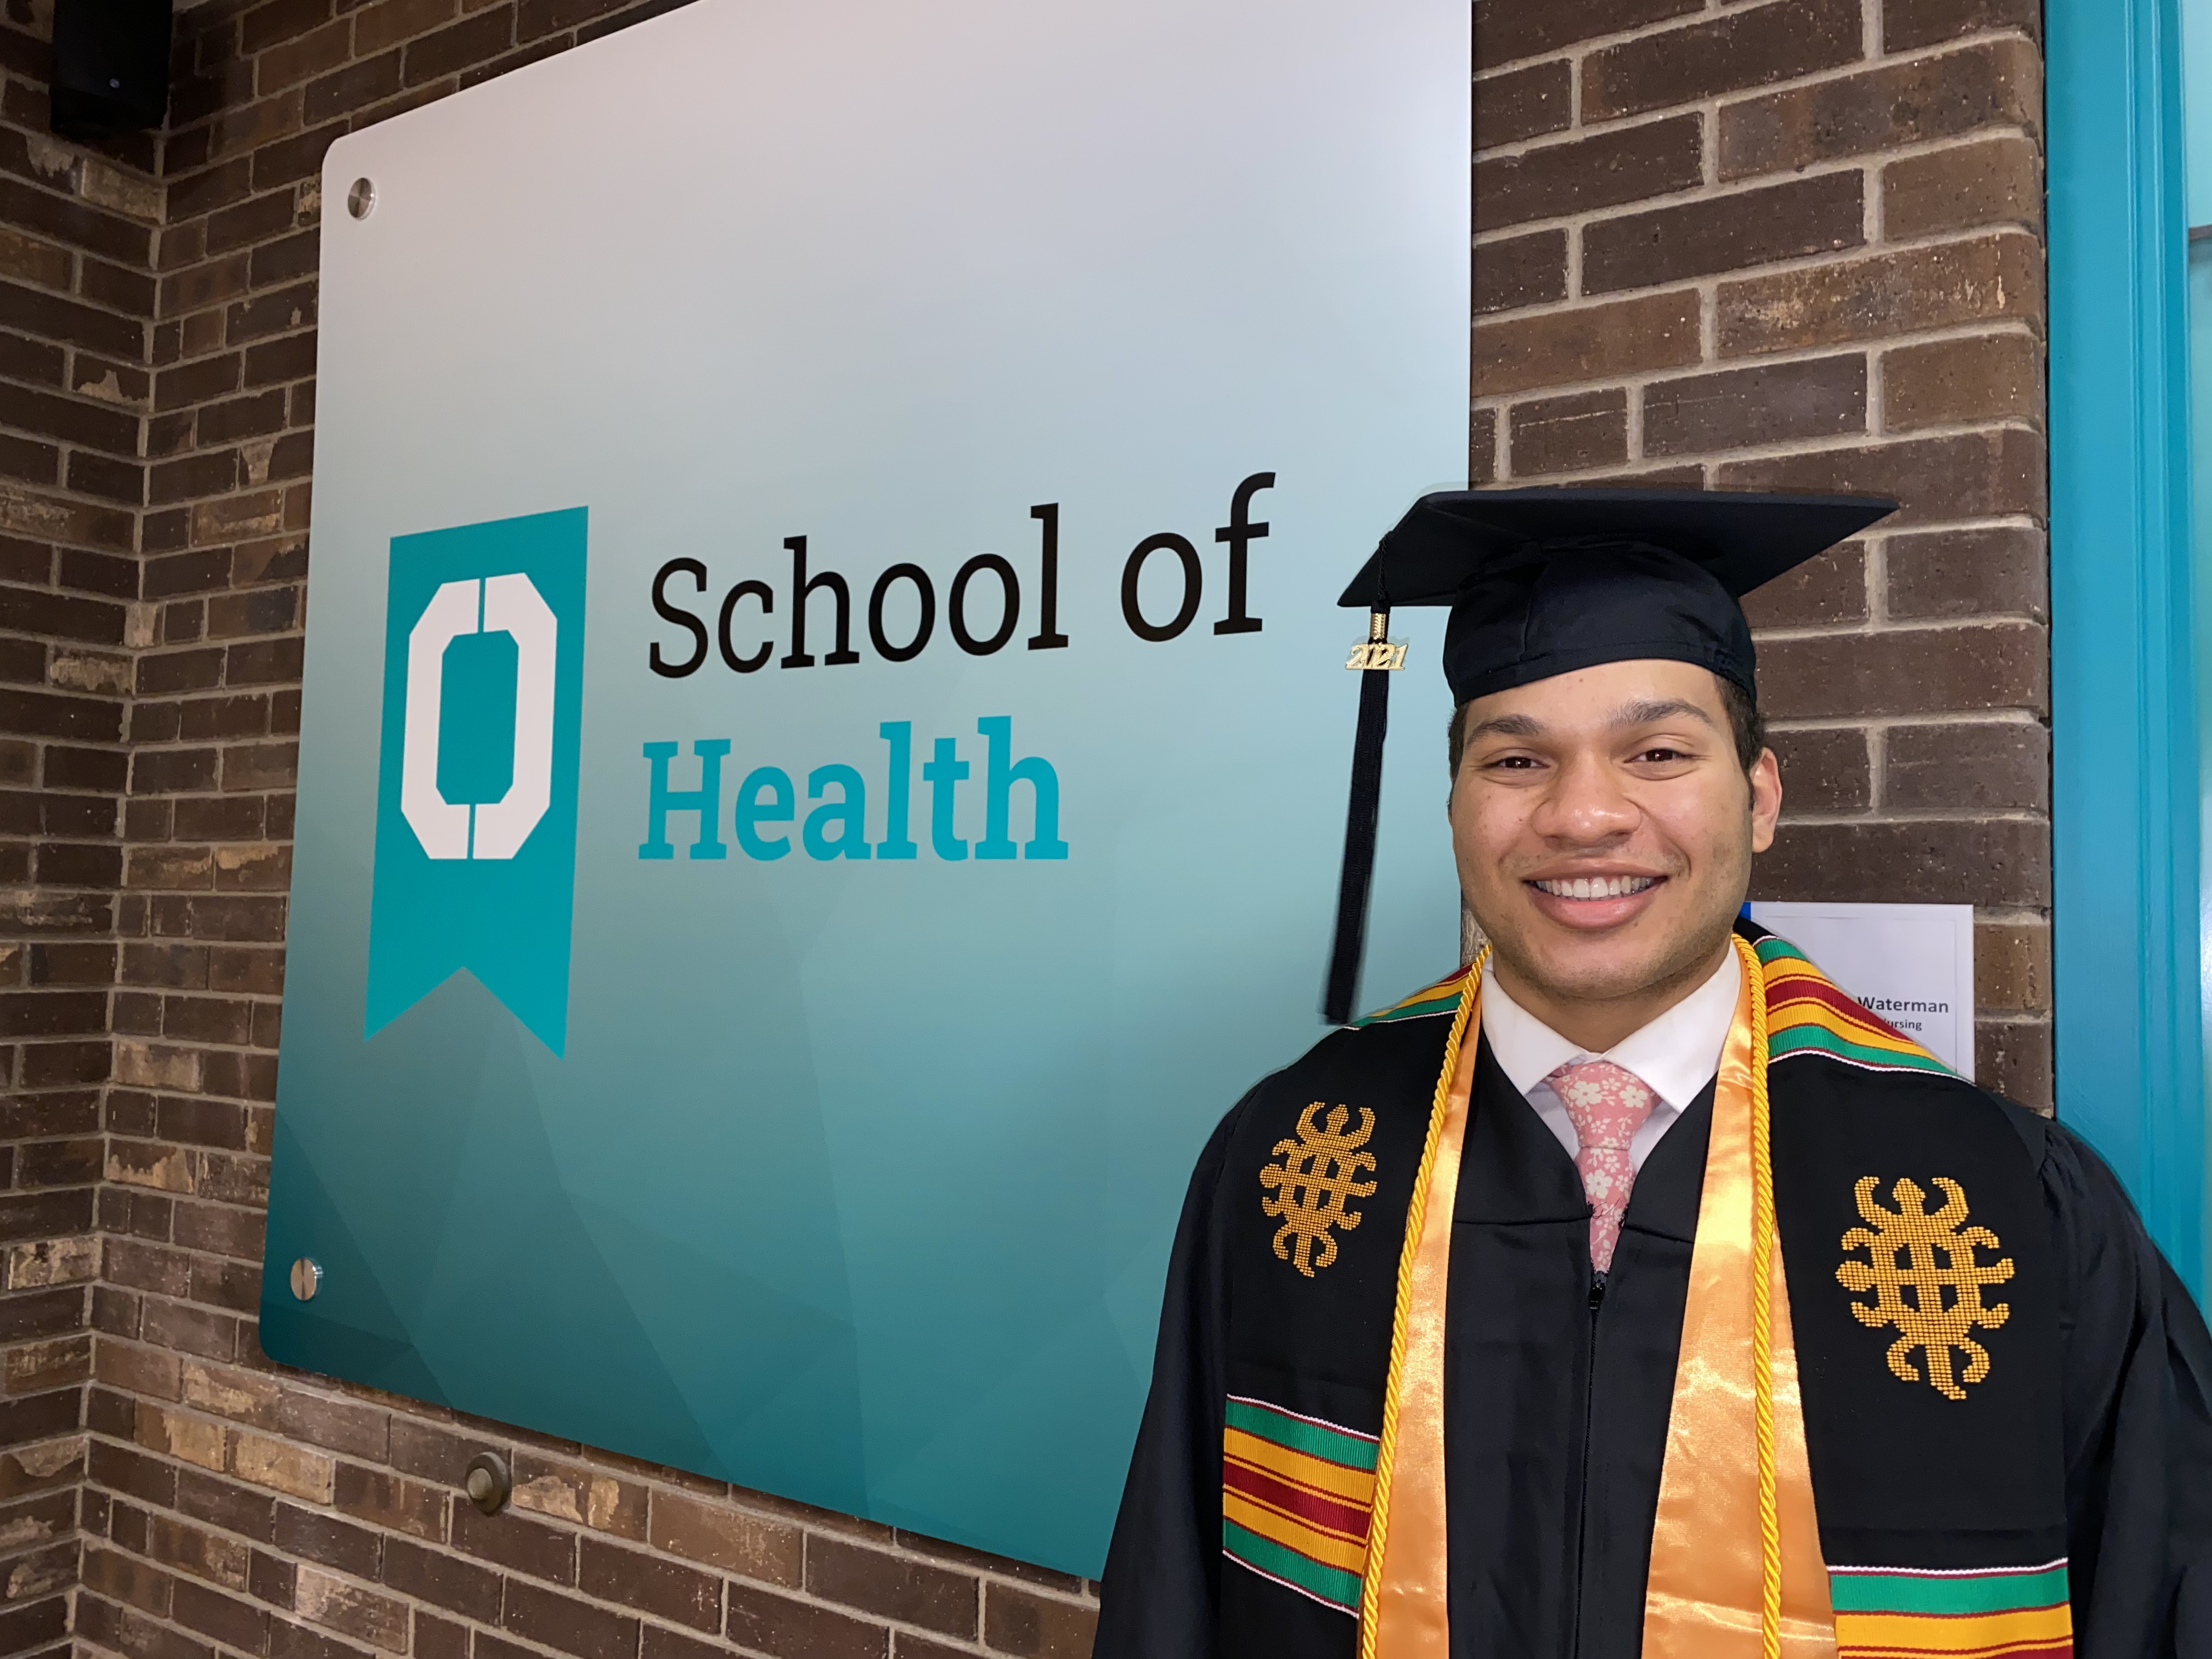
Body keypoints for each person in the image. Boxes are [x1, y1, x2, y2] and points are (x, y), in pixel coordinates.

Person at [1092, 488, 2212, 1659]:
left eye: (1658, 752)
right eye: (1517, 757)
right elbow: (1176, 1588)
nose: (1583, 816)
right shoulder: (1293, 1160)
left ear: (1761, 795)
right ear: (1457, 804)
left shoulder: (2002, 1200)